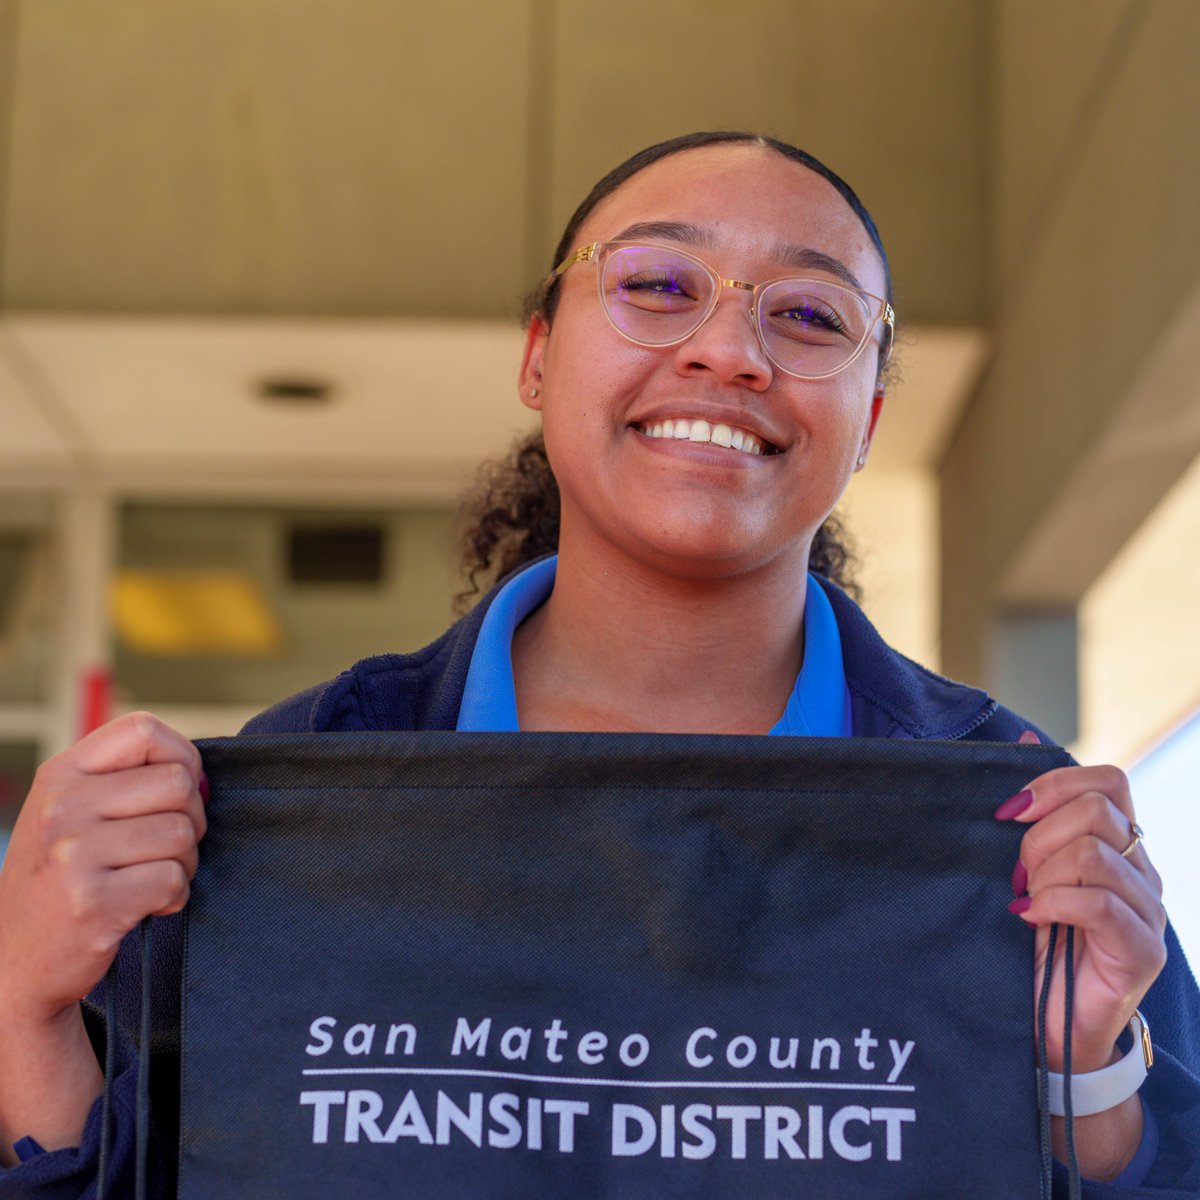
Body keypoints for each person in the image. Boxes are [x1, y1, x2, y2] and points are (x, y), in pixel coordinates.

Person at [0, 131, 1196, 1197]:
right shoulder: (299, 791)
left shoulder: (1014, 822)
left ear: (870, 421)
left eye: (812, 316)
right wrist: (24, 1003)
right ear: (537, 359)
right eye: (658, 285)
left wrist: (1083, 1071)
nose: (729, 350)